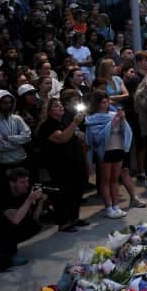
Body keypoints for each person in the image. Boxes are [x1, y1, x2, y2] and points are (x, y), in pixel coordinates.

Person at [0, 167, 47, 274]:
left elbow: (34, 219)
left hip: (1, 226)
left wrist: (40, 202)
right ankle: (6, 254)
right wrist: (30, 199)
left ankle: (8, 252)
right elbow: (15, 220)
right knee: (13, 224)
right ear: (12, 183)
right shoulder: (3, 195)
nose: (27, 185)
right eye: (22, 182)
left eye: (27, 181)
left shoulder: (23, 192)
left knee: (33, 225)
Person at [85, 91, 142, 218]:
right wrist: (112, 123)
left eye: (107, 102)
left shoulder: (113, 115)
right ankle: (108, 207)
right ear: (97, 104)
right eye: (102, 102)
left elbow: (125, 132)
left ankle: (116, 206)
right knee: (106, 180)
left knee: (115, 180)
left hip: (118, 148)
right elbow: (96, 138)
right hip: (105, 151)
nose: (105, 105)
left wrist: (122, 120)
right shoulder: (92, 118)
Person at [36, 98, 87, 232]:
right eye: (56, 106)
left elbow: (71, 135)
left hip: (73, 162)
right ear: (49, 111)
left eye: (60, 105)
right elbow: (62, 138)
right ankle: (63, 222)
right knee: (62, 193)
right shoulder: (47, 125)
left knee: (76, 190)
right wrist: (75, 123)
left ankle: (73, 218)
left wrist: (78, 133)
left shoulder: (63, 122)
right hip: (58, 165)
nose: (60, 107)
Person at [0, 92, 31, 194]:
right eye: (4, 103)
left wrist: (10, 138)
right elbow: (0, 146)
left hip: (21, 160)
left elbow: (28, 136)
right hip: (5, 164)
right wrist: (20, 141)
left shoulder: (16, 119)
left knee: (25, 191)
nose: (8, 105)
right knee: (9, 194)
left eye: (10, 102)